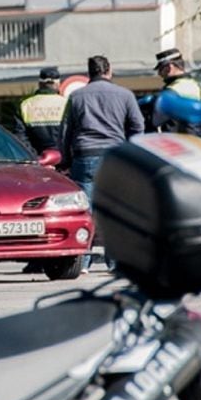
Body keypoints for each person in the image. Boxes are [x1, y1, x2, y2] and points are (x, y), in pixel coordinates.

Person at [59, 55, 145, 273]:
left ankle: (83, 262)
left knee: (85, 212)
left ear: (89, 73)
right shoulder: (125, 95)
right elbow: (138, 126)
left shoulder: (77, 96)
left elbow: (66, 131)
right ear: (109, 70)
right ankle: (114, 263)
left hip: (84, 157)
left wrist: (66, 159)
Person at [152, 48, 201, 136]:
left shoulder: (172, 91)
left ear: (169, 67)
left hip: (176, 141)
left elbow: (155, 120)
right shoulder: (197, 88)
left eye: (160, 69)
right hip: (196, 140)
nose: (159, 74)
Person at [14, 67, 66, 154]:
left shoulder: (25, 105)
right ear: (58, 84)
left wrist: (34, 156)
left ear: (40, 84)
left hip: (37, 158)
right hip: (64, 158)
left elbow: (20, 137)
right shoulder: (67, 104)